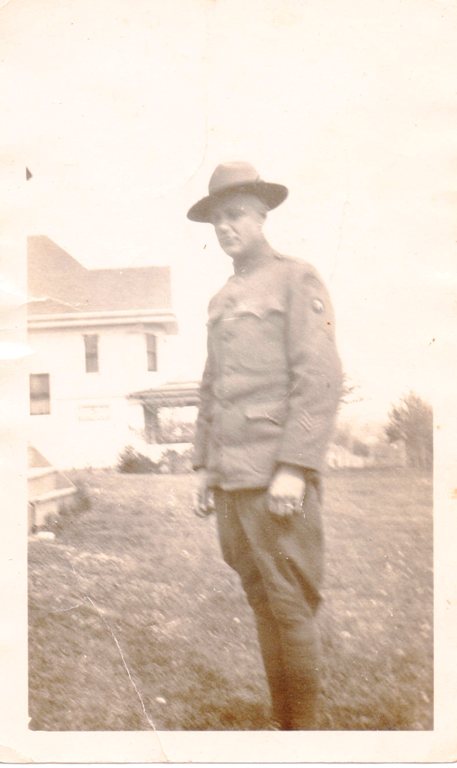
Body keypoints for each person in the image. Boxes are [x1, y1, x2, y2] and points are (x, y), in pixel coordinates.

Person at [187, 161, 343, 730]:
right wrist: (204, 465)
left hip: (275, 476)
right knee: (260, 597)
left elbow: (319, 375)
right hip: (232, 477)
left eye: (236, 215)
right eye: (217, 220)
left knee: (290, 600)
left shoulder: (294, 279)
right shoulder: (223, 296)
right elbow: (212, 385)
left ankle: (300, 736)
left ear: (261, 215)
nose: (225, 227)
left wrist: (295, 467)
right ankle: (283, 726)